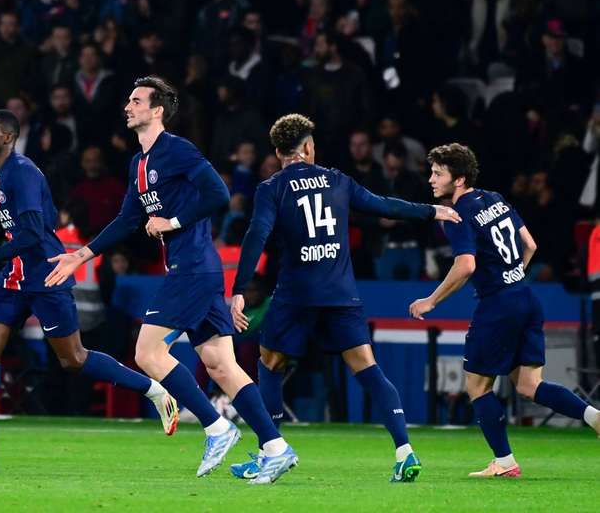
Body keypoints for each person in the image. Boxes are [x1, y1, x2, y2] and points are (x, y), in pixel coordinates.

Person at [45, 77, 297, 484]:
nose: (127, 106)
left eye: (136, 100)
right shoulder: (138, 163)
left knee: (147, 353)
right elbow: (129, 219)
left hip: (193, 269)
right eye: (128, 100)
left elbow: (217, 193)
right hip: (198, 269)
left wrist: (173, 221)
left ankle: (217, 428)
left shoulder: (177, 149)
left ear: (157, 109)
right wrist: (80, 254)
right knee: (221, 365)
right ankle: (276, 448)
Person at [0, 109, 177, 470]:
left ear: (9, 137)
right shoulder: (1, 173)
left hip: (46, 274)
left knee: (73, 359)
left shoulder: (22, 173)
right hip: (15, 277)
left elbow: (32, 234)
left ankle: (156, 391)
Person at [228, 114, 460, 482]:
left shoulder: (272, 187)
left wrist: (239, 288)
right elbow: (384, 206)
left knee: (270, 364)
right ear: (308, 146)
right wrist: (431, 211)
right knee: (368, 368)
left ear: (278, 151)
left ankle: (269, 450)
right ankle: (405, 451)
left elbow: (256, 234)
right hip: (340, 294)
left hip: (297, 294)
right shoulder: (338, 180)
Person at [409, 143, 600, 478]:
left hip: (497, 305)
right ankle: (592, 416)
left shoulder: (455, 215)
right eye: (432, 172)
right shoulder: (495, 198)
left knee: (477, 387)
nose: (431, 179)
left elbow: (466, 266)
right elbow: (530, 245)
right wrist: (513, 276)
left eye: (439, 173)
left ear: (460, 179)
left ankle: (505, 461)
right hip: (526, 297)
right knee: (529, 385)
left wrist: (431, 300)